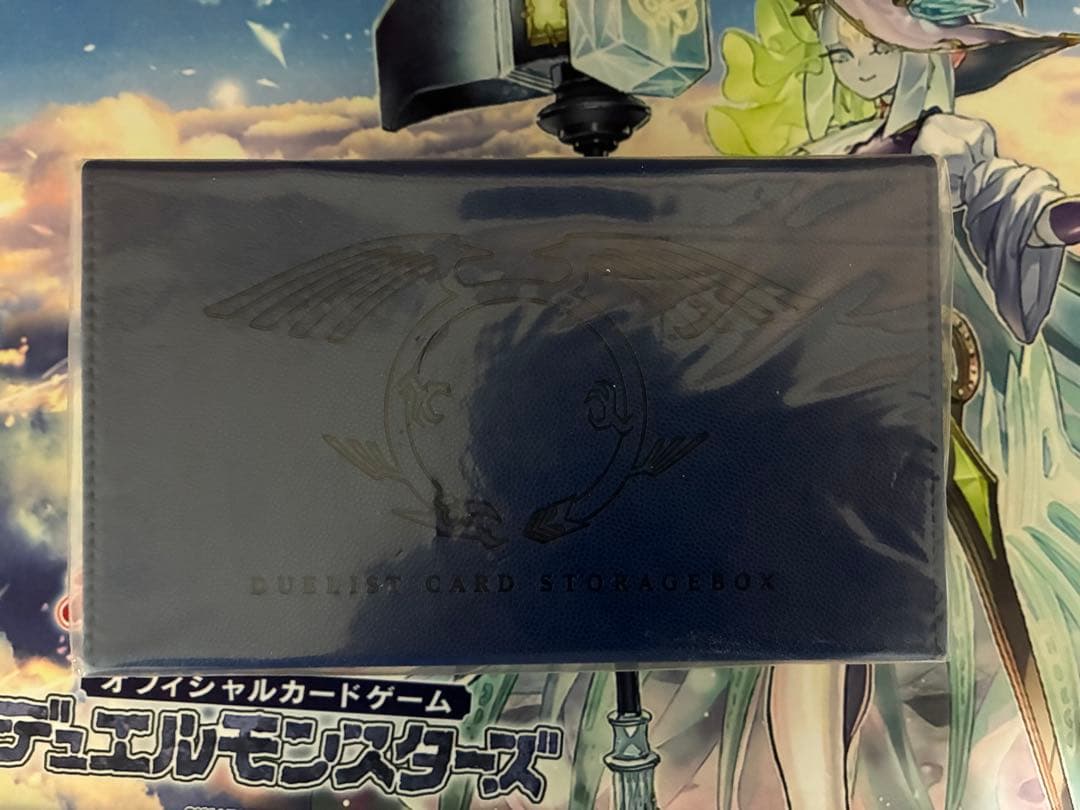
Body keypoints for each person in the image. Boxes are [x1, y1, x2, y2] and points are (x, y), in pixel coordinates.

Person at [708, 1, 1080, 807]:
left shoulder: (959, 148)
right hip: (823, 403)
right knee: (814, 629)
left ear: (939, 53)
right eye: (841, 52)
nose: (854, 66)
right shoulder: (821, 159)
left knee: (955, 616)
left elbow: (1023, 211)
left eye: (869, 46)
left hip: (930, 399)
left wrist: (1063, 221)